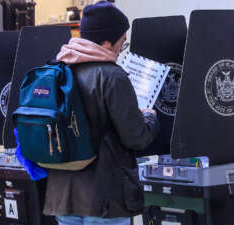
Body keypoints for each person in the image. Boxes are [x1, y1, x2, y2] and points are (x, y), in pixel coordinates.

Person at [42, 1, 160, 225]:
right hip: (104, 199)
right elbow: (135, 136)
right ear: (107, 42)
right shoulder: (111, 76)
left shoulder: (57, 70)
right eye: (121, 43)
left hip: (62, 195)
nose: (120, 49)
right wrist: (150, 118)